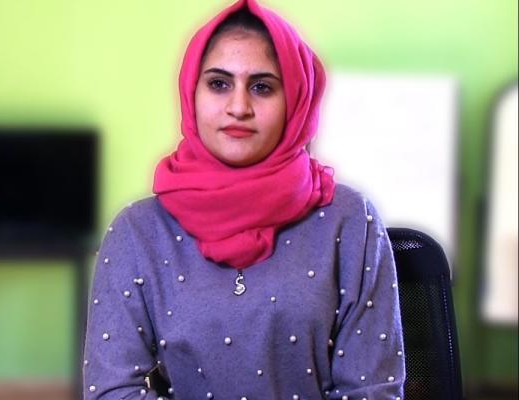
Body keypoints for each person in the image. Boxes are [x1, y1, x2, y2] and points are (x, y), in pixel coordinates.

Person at [82, 0, 405, 398]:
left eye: (262, 87)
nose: (238, 107)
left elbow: (371, 390)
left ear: (296, 101)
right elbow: (112, 391)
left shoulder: (350, 220)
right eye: (219, 84)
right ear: (191, 93)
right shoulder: (138, 232)